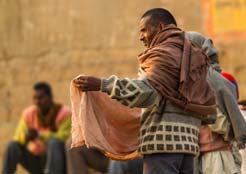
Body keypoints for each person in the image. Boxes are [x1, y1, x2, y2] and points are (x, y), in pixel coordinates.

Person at [73, 8, 218, 174]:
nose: (141, 36)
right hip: (189, 147)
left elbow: (145, 93)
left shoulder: (163, 54)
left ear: (161, 27)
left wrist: (102, 84)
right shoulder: (192, 54)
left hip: (163, 145)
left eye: (144, 30)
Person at [186, 32, 246, 174]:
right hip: (204, 155)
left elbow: (221, 122)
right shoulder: (197, 79)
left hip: (216, 157)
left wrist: (200, 111)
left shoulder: (208, 79)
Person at [2, 82, 71, 174]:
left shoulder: (64, 113)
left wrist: (40, 135)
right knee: (13, 145)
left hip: (59, 162)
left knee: (54, 142)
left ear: (50, 97)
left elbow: (64, 137)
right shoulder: (29, 113)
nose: (37, 102)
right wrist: (26, 137)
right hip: (37, 161)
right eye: (34, 98)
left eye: (40, 98)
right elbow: (18, 136)